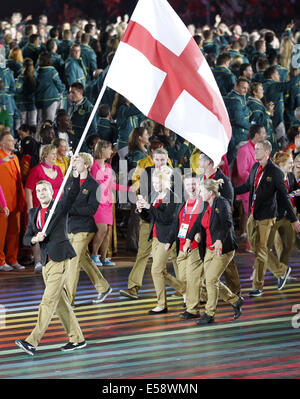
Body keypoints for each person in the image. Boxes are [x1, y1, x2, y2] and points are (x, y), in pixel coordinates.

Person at [15, 164, 86, 356]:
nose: (41, 193)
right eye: (38, 191)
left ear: (51, 191)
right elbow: (25, 237)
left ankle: (32, 341)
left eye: (44, 189)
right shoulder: (33, 213)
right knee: (61, 302)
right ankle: (77, 338)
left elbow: (72, 193)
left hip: (60, 257)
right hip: (46, 262)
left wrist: (75, 174)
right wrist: (33, 239)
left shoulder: (59, 207)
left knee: (47, 301)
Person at [235, 140, 300, 296]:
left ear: (266, 152)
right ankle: (281, 271)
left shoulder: (276, 172)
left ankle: (257, 286)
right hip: (252, 215)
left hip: (267, 217)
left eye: (258, 149)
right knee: (257, 248)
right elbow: (247, 187)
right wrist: (229, 190)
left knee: (262, 250)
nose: (255, 151)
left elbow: (284, 197)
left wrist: (294, 219)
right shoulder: (255, 167)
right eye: (255, 148)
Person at [119, 147, 179, 300]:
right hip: (149, 220)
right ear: (153, 159)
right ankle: (133, 287)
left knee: (175, 255)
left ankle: (181, 287)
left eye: (163, 160)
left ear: (167, 159)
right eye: (157, 159)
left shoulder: (174, 175)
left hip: (167, 223)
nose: (160, 163)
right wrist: (142, 208)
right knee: (142, 253)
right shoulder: (146, 173)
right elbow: (143, 195)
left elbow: (178, 200)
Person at [184, 179, 244, 325]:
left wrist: (219, 240)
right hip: (210, 249)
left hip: (223, 249)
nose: (200, 193)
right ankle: (235, 300)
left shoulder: (222, 203)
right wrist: (188, 239)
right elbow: (198, 222)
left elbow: (227, 222)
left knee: (210, 279)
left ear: (210, 192)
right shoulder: (205, 204)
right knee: (209, 280)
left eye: (202, 191)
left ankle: (210, 313)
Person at [65, 153, 113, 306]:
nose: (74, 164)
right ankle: (103, 287)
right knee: (84, 259)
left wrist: (71, 209)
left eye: (77, 161)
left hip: (85, 228)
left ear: (86, 165)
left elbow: (91, 209)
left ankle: (68, 301)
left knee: (72, 262)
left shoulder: (94, 186)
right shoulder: (71, 181)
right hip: (70, 227)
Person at [136, 166, 185, 314]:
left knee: (156, 270)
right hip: (156, 237)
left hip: (167, 238)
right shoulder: (154, 195)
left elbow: (166, 218)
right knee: (160, 271)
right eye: (155, 183)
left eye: (159, 183)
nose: (156, 186)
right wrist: (141, 210)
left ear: (167, 182)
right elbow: (151, 218)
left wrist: (149, 207)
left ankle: (163, 304)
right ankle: (185, 290)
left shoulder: (172, 197)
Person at [198, 152, 241, 295]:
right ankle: (204, 294)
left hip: (219, 227)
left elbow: (227, 206)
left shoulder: (223, 180)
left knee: (226, 262)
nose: (197, 162)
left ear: (209, 162)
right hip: (205, 225)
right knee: (206, 258)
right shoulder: (201, 178)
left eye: (200, 160)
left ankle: (235, 293)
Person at [165, 173, 203, 319]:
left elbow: (205, 222)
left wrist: (198, 233)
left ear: (199, 185)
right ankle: (233, 298)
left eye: (194, 184)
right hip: (181, 246)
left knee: (193, 280)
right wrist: (169, 241)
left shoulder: (203, 203)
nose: (191, 187)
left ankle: (192, 309)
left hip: (195, 247)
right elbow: (176, 224)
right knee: (185, 280)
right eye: (188, 184)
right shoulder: (183, 203)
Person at [90, 139, 134, 266]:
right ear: (102, 150)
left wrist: (128, 188)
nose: (111, 151)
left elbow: (112, 185)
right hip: (98, 203)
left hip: (108, 203)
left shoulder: (108, 167)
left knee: (107, 231)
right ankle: (94, 255)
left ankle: (103, 257)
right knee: (101, 229)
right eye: (109, 149)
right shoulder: (93, 166)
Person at [25, 144, 64, 272]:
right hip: (39, 207)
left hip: (55, 208)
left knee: (54, 234)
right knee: (38, 233)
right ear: (45, 155)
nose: (55, 156)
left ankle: (53, 259)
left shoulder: (58, 170)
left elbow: (61, 189)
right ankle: (38, 261)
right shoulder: (37, 170)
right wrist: (30, 209)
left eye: (55, 153)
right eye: (53, 153)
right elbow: (28, 189)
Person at [233, 124, 267, 239]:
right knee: (250, 215)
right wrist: (258, 180)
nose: (265, 135)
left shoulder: (261, 149)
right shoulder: (244, 150)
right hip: (247, 188)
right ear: (257, 135)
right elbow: (242, 172)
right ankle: (250, 242)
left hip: (259, 187)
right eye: (263, 133)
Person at [0, 131, 26, 271]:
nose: (13, 142)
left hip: (15, 202)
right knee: (1, 233)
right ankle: (1, 261)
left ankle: (12, 258)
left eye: (13, 140)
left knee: (14, 233)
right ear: (2, 143)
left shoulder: (15, 158)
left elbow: (18, 181)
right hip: (2, 203)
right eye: (9, 140)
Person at [224, 77, 251, 164]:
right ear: (236, 86)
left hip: (235, 134)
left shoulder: (237, 97)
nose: (246, 91)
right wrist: (252, 127)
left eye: (247, 88)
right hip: (238, 136)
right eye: (243, 88)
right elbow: (239, 120)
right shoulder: (236, 100)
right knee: (237, 164)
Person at [35, 52, 65, 127]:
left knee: (39, 122)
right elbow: (59, 85)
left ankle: (39, 137)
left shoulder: (36, 72)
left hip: (39, 100)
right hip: (51, 100)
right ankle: (49, 138)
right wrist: (62, 89)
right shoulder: (52, 71)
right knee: (49, 122)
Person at [247, 82, 277, 154]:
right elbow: (259, 122)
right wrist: (268, 112)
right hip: (263, 137)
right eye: (261, 89)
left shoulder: (257, 103)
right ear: (255, 92)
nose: (263, 91)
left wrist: (267, 111)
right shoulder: (254, 105)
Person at [67, 82, 97, 151]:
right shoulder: (71, 106)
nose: (71, 95)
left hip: (83, 145)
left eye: (73, 92)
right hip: (72, 142)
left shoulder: (88, 108)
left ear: (81, 92)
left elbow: (93, 129)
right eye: (70, 92)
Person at [15, 58, 37, 128]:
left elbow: (18, 90)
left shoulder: (21, 77)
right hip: (33, 103)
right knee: (32, 124)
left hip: (22, 104)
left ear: (23, 66)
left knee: (23, 124)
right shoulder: (35, 76)